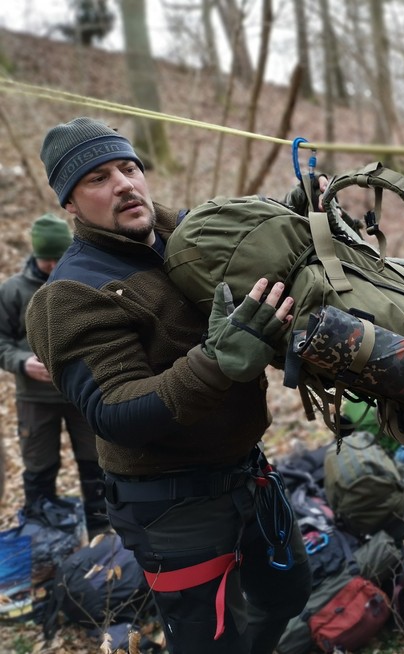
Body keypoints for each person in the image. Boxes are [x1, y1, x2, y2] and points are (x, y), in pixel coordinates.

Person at [25, 117, 312, 653]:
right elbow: (115, 411)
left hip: (247, 473)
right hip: (172, 507)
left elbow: (251, 250)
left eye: (129, 167)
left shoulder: (186, 234)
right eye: (98, 178)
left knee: (287, 595)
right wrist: (218, 360)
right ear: (69, 203)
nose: (124, 184)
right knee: (212, 644)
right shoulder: (68, 295)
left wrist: (289, 219)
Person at [0, 213, 107, 536]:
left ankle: (103, 534)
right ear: (35, 254)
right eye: (45, 258)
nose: (51, 265)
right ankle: (43, 536)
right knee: (39, 468)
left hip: (81, 393)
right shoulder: (13, 291)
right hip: (35, 398)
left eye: (57, 257)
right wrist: (22, 362)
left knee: (96, 463)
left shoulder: (83, 281)